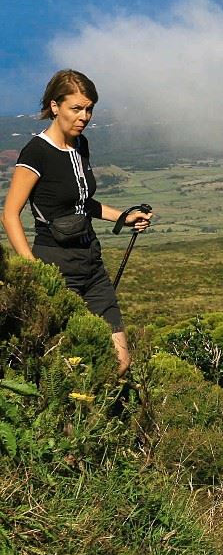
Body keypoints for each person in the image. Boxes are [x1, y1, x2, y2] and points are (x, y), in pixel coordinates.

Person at [1, 70, 152, 375]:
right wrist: (33, 270)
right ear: (55, 107)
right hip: (55, 264)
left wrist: (122, 217)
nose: (84, 116)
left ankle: (95, 414)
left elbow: (82, 203)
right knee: (67, 364)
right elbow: (9, 213)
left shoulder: (81, 145)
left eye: (89, 109)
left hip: (91, 263)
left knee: (120, 361)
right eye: (76, 108)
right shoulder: (36, 152)